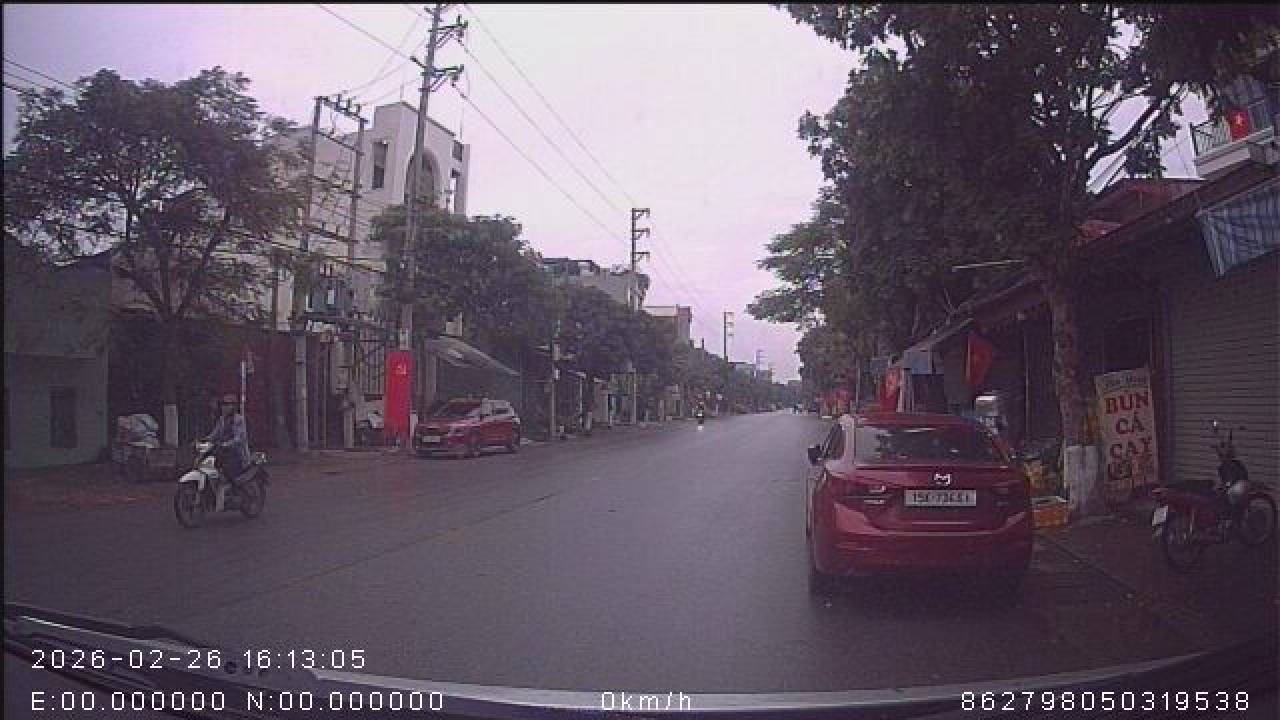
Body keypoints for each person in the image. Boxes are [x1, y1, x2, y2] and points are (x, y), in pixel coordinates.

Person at [206, 394, 251, 484]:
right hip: (223, 451)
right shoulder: (222, 419)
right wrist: (204, 440)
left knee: (228, 474)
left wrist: (225, 444)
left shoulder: (239, 420)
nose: (224, 407)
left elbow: (238, 439)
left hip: (237, 454)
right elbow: (214, 434)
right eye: (223, 404)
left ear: (234, 406)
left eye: (227, 404)